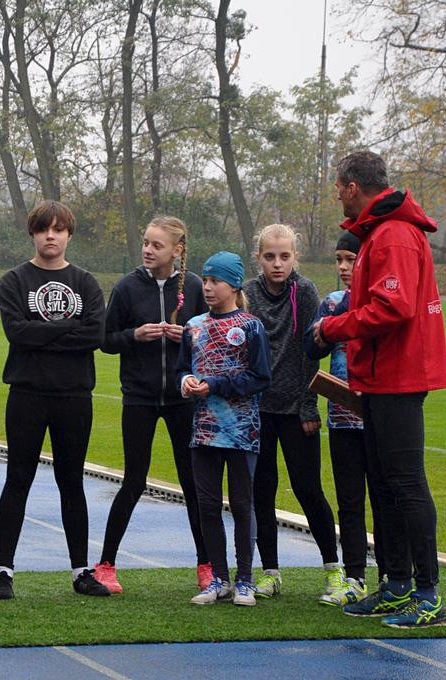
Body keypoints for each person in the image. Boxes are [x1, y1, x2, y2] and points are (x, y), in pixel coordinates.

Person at [313, 150, 446, 628]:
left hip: (399, 375)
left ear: (353, 186)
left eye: (338, 187)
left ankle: (428, 594)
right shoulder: (383, 231)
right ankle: (395, 584)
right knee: (386, 485)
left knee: (406, 483)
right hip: (380, 376)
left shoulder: (393, 235)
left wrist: (333, 328)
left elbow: (393, 309)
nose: (338, 196)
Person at [0, 200, 109, 600]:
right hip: (27, 393)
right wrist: (68, 328)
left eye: (58, 229)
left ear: (69, 235)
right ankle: (4, 570)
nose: (51, 236)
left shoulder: (86, 283)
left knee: (71, 481)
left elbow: (95, 335)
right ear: (33, 234)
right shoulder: (13, 281)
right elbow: (17, 334)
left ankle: (80, 570)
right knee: (17, 479)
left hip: (74, 395)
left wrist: (44, 331)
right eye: (44, 229)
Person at [93, 216, 211, 594]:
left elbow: (210, 337)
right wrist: (134, 335)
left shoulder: (193, 287)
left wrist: (187, 336)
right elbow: (107, 340)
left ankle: (207, 565)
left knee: (193, 483)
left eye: (156, 245)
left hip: (183, 399)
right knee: (134, 481)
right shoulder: (127, 287)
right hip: (140, 398)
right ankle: (106, 564)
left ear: (177, 250)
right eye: (145, 242)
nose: (147, 249)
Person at [243, 223, 344, 603]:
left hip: (296, 408)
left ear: (295, 257)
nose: (277, 263)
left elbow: (309, 351)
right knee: (261, 490)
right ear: (259, 258)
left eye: (284, 256)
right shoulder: (248, 293)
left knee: (308, 489)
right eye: (269, 256)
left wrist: (307, 404)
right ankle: (270, 572)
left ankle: (333, 570)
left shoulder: (304, 291)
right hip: (259, 409)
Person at [178, 252, 271, 606]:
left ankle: (245, 579)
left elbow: (260, 377)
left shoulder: (250, 326)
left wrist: (214, 385)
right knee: (207, 505)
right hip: (203, 430)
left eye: (215, 281)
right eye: (205, 280)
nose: (208, 287)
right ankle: (218, 578)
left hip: (241, 431)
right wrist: (186, 381)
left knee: (243, 505)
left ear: (234, 285)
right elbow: (181, 369)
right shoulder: (194, 326)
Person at [302, 231, 386, 606]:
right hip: (341, 419)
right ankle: (354, 578)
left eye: (350, 260)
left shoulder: (383, 303)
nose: (343, 267)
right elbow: (309, 347)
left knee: (386, 501)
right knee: (349, 502)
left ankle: (391, 576)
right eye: (339, 259)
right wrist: (326, 327)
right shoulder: (332, 301)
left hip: (382, 419)